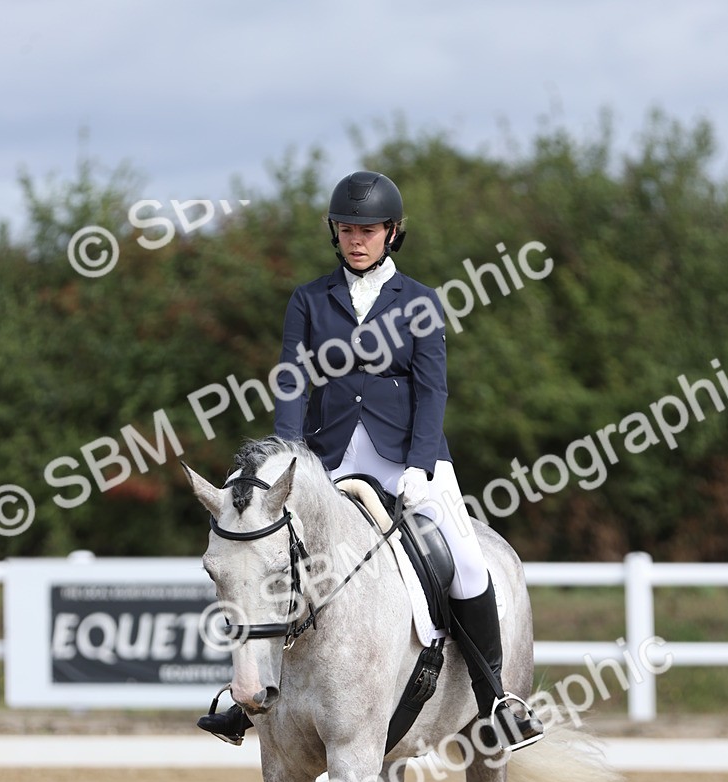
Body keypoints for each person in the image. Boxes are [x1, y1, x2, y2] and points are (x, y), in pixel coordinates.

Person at [199, 171, 543, 751]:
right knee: (268, 554)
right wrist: (287, 461)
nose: (357, 239)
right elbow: (292, 383)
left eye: (369, 230)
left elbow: (432, 389)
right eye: (347, 229)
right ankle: (247, 694)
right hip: (325, 457)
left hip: (407, 455)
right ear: (335, 233)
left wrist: (420, 465)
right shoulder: (309, 299)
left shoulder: (420, 301)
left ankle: (496, 700)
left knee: (466, 562)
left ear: (391, 233)